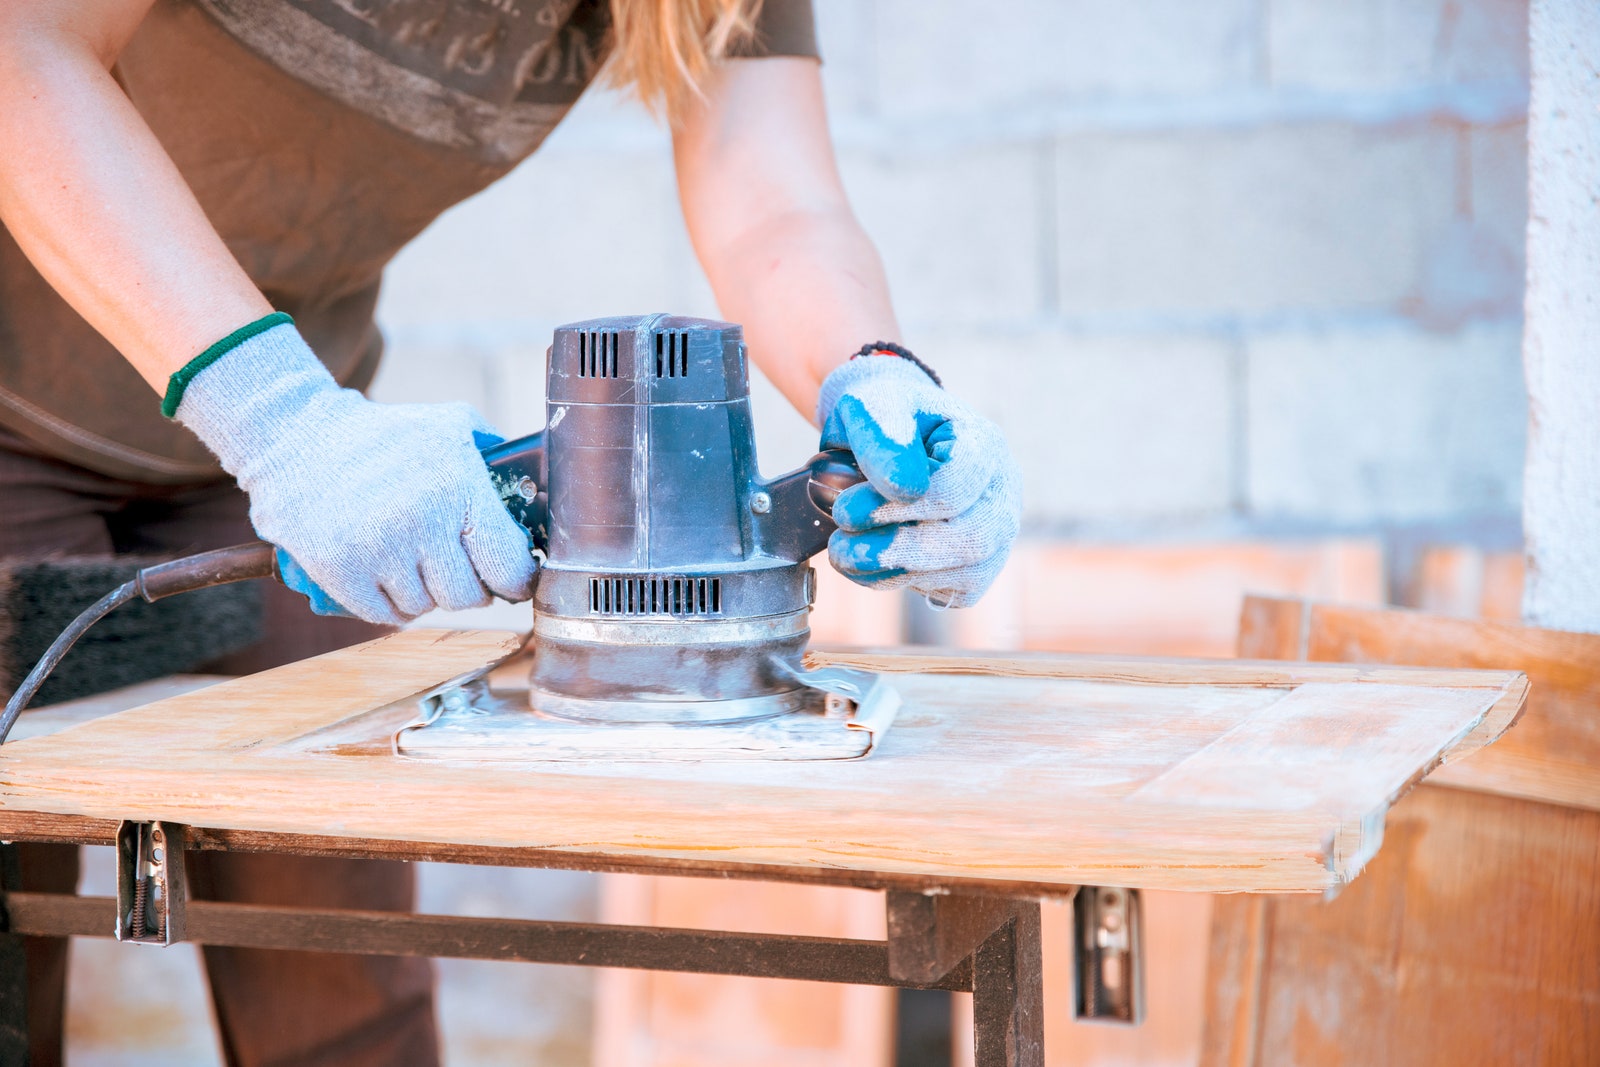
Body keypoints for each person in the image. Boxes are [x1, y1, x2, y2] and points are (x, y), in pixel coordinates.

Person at [0, 0, 1022, 1063]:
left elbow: (769, 193)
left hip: (254, 448)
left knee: (344, 964)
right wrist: (279, 421)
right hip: (66, 413)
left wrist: (878, 375)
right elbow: (20, 45)